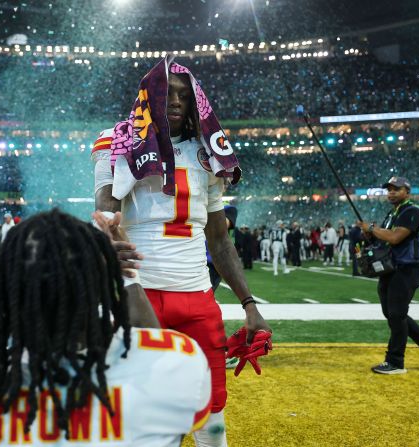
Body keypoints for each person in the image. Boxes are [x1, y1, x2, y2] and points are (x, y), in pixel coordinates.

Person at [0, 209, 212, 446]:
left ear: (4, 287)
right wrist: (128, 277)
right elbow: (152, 356)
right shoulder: (178, 365)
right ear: (98, 287)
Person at [93, 57, 270, 447]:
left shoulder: (207, 154)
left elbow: (220, 241)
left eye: (183, 95)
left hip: (197, 297)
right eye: (165, 92)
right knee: (145, 408)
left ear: (195, 104)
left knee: (211, 409)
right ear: (147, 96)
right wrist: (107, 225)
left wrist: (249, 303)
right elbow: (105, 211)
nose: (174, 101)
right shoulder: (117, 140)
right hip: (141, 295)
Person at [358, 177, 419, 374]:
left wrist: (372, 229)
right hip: (392, 268)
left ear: (407, 192)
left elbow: (395, 237)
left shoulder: (412, 211)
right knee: (392, 314)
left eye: (396, 189)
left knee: (397, 314)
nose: (391, 193)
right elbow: (384, 236)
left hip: (408, 268)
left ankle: (395, 361)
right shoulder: (393, 213)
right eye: (389, 189)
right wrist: (370, 234)